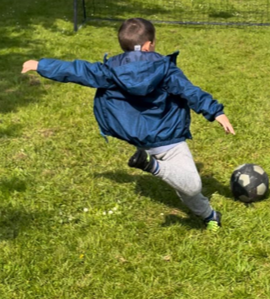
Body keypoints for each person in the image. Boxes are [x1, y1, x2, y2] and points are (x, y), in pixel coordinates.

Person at [21, 18, 235, 231]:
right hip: (168, 139)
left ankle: (209, 216)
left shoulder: (110, 71)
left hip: (139, 138)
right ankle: (154, 166)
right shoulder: (165, 69)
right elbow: (189, 91)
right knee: (192, 185)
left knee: (182, 184)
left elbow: (78, 71)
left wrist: (41, 65)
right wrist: (216, 111)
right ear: (149, 45)